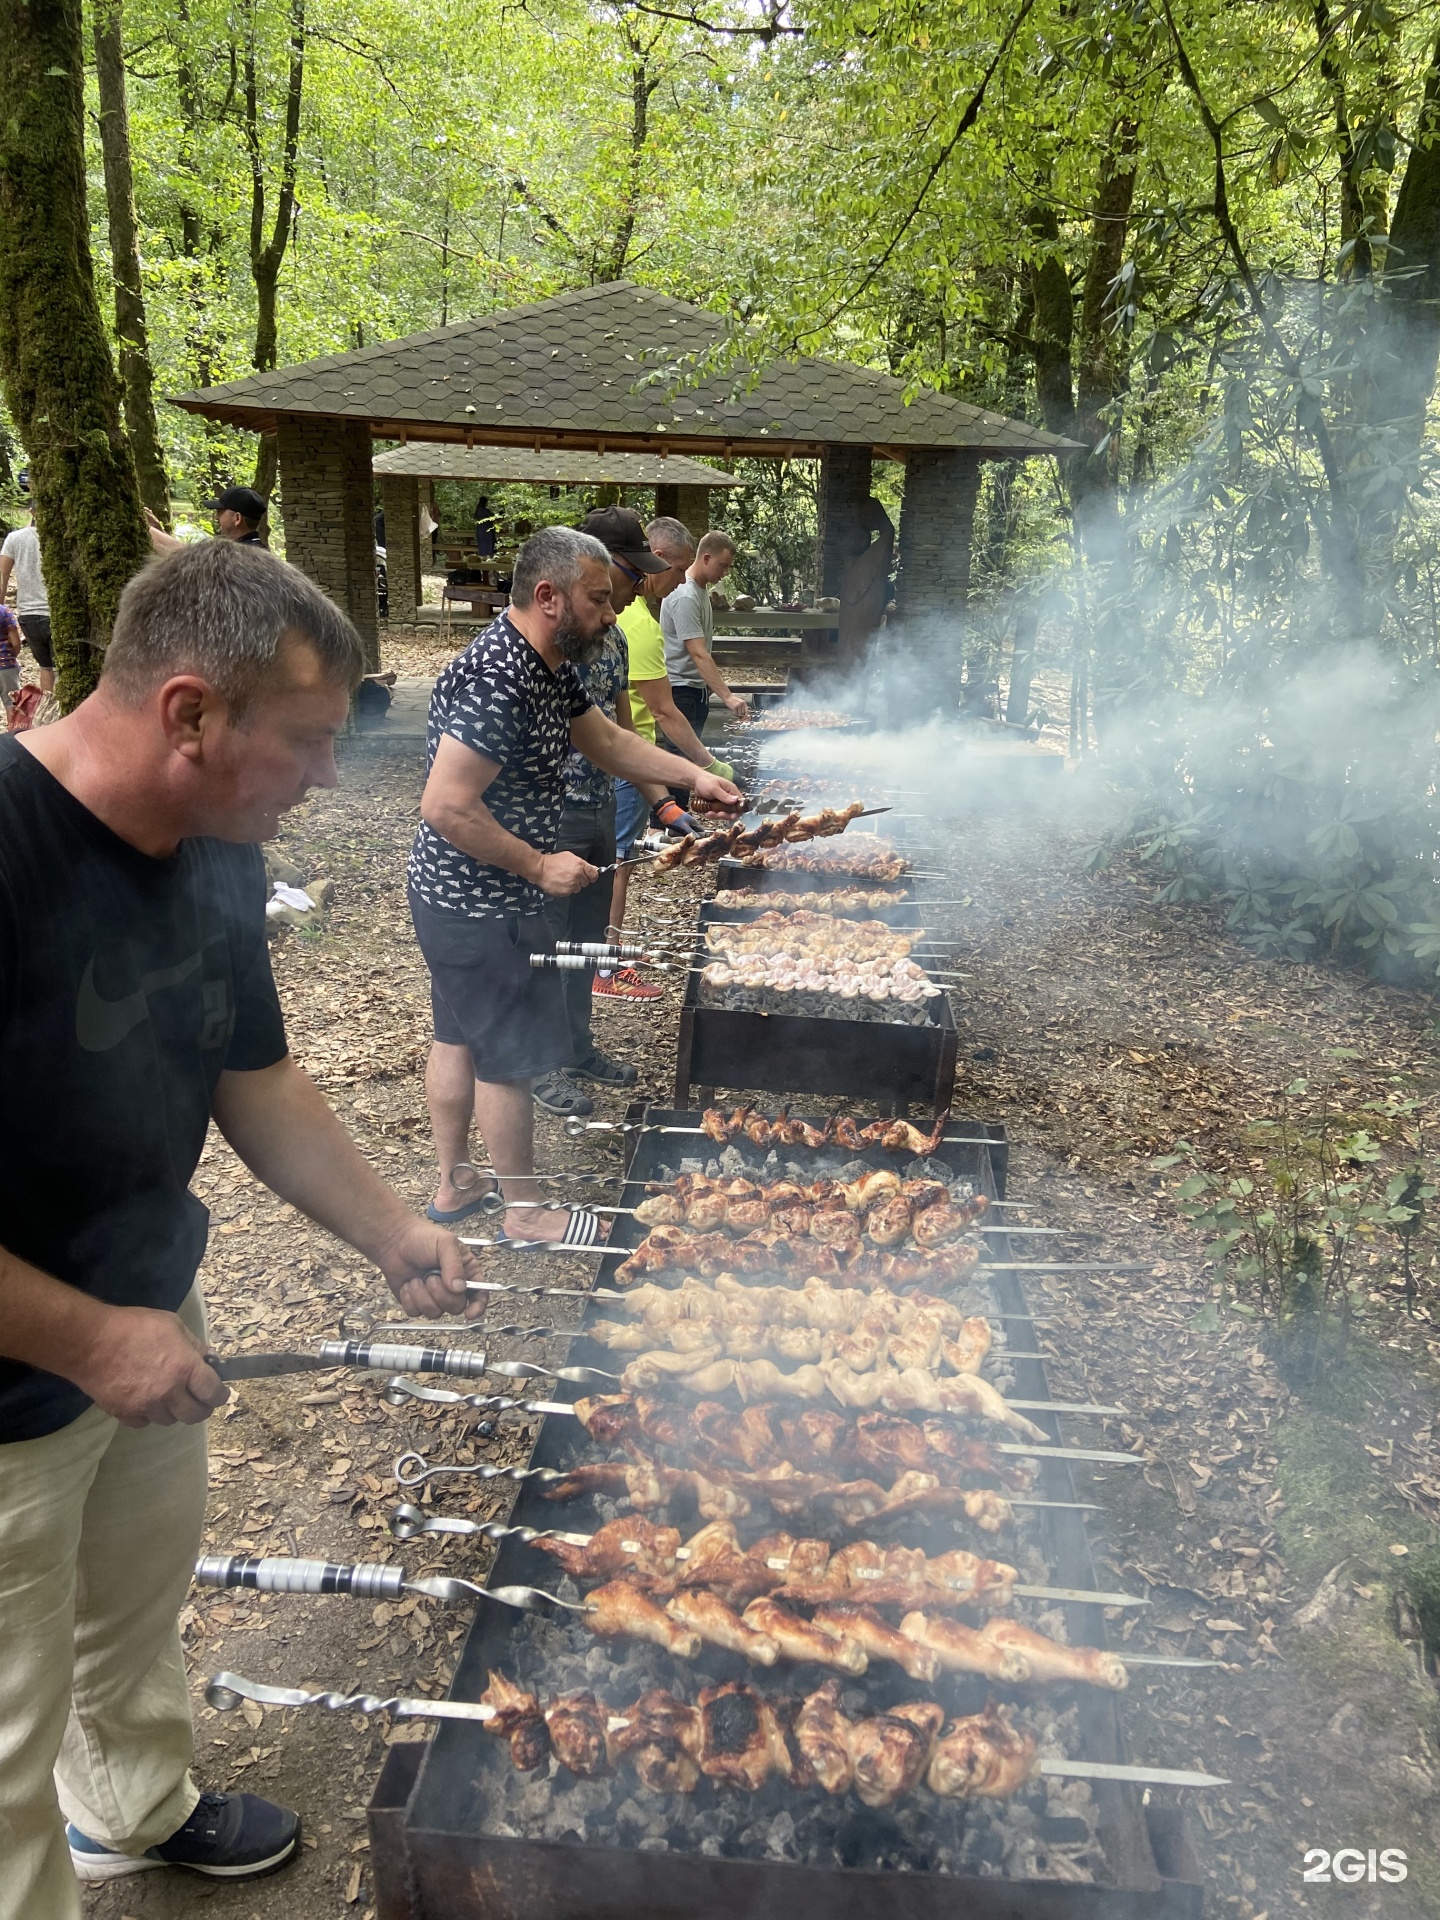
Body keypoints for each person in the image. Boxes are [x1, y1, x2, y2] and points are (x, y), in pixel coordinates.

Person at [0, 540, 476, 1920]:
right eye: (312, 742)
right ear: (191, 713)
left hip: (147, 1311)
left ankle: (135, 1811)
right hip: (23, 1376)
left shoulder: (213, 855)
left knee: (134, 1614)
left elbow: (251, 1075)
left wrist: (389, 1228)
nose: (329, 777)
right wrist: (91, 1340)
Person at [408, 525, 741, 1241]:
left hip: (459, 893)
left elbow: (608, 740)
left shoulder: (548, 661)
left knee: (459, 1035)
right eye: (598, 599)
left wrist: (692, 777)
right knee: (506, 1054)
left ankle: (457, 1183)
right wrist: (536, 863)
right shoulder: (500, 677)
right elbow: (444, 805)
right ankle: (525, 1212)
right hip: (479, 897)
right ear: (548, 595)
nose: (613, 611)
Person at [532, 507, 671, 1117]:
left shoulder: (612, 639)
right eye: (629, 573)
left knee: (587, 941)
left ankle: (577, 1046)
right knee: (544, 942)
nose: (637, 585)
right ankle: (538, 1063)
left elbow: (622, 732)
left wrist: (661, 799)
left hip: (597, 808)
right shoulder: (545, 645)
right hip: (548, 816)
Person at [606, 516, 734, 977]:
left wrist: (661, 803)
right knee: (616, 864)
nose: (680, 579)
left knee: (619, 860)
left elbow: (619, 724)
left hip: (631, 767)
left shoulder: (629, 623)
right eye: (677, 568)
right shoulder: (636, 624)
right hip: (619, 773)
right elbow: (661, 713)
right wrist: (707, 764)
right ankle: (606, 964)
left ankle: (608, 950)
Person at [660, 528, 749, 739]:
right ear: (706, 558)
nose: (725, 572)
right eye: (723, 566)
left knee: (694, 758)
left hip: (696, 689)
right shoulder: (685, 596)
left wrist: (708, 686)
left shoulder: (701, 590)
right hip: (680, 691)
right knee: (682, 762)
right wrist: (727, 696)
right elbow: (698, 653)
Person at [0, 500, 55, 694]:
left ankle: (47, 712)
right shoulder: (62, 538)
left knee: (46, 667)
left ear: (32, 512)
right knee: (63, 669)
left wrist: (1, 614)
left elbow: (2, 576)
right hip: (57, 614)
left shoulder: (15, 539)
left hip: (29, 616)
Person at [837, 497, 895, 667]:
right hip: (854, 614)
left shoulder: (876, 551)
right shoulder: (860, 558)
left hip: (863, 613)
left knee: (856, 657)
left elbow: (859, 585)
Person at [147, 486, 267, 556]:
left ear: (237, 518)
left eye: (220, 512)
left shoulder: (241, 555)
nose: (216, 517)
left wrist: (146, 528)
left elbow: (188, 559)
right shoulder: (258, 551)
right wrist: (159, 531)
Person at [0, 599, 21, 711]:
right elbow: (16, 643)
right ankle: (13, 729)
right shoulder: (4, 612)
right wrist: (12, 656)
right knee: (12, 705)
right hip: (6, 666)